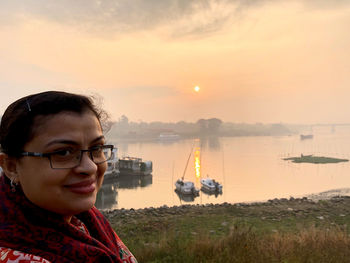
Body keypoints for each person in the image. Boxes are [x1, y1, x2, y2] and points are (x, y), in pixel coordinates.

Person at [0, 91, 137, 263]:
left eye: (96, 149)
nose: (90, 167)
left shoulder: (86, 220)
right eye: (63, 152)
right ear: (11, 166)